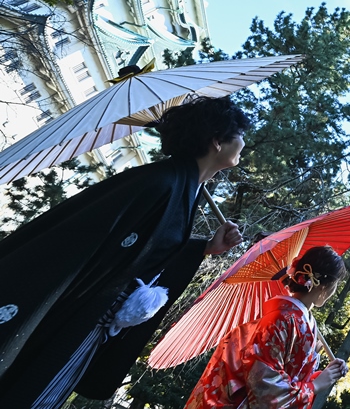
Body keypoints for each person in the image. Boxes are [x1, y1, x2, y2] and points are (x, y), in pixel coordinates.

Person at [0, 95, 250, 408]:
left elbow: (150, 248)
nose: (243, 143)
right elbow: (99, 244)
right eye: (239, 135)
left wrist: (206, 247)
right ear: (217, 142)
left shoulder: (183, 187)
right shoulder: (161, 182)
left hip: (100, 323)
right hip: (84, 313)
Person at [184, 246, 349, 409]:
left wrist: (325, 375)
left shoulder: (296, 319)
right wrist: (314, 387)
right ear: (323, 286)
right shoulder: (282, 319)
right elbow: (263, 384)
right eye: (335, 285)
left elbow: (291, 377)